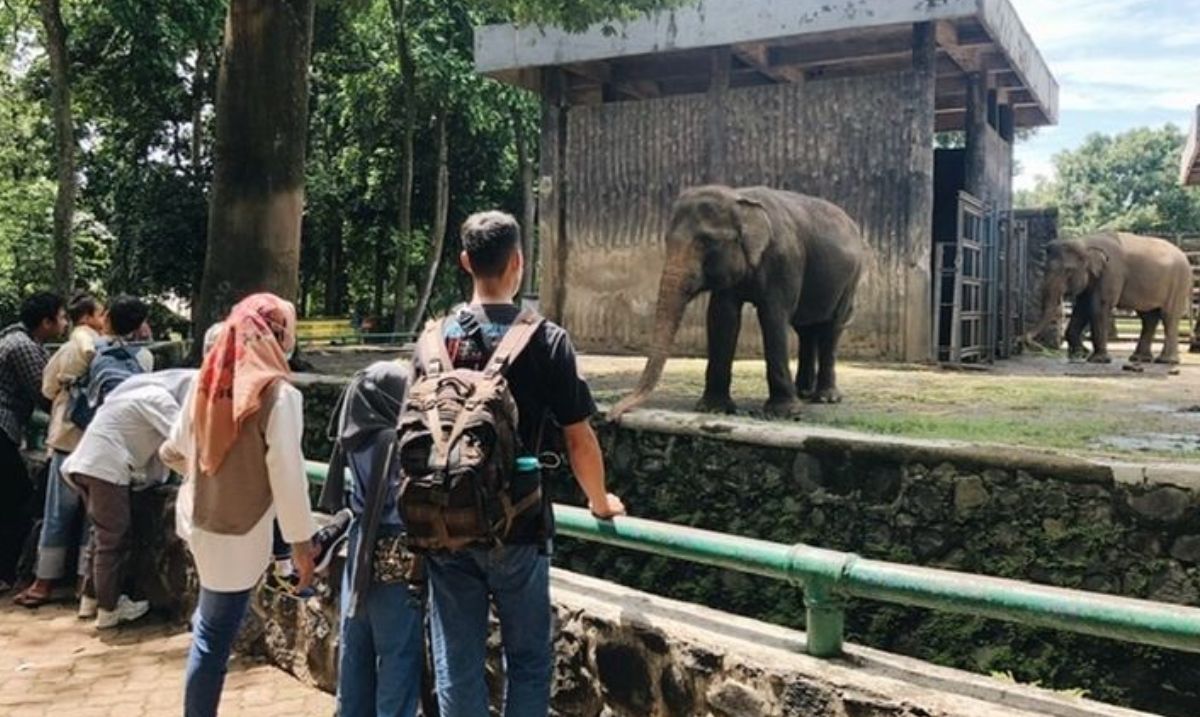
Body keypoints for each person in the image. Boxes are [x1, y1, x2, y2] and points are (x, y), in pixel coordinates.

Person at [413, 212, 625, 717]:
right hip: (520, 522)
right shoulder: (547, 340)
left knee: (456, 664)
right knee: (528, 661)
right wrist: (600, 501)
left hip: (445, 519)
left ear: (465, 262)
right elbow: (579, 438)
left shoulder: (431, 341)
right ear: (518, 263)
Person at [159, 295, 342, 717]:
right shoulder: (277, 394)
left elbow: (177, 446)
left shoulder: (209, 380)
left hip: (200, 520)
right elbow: (288, 476)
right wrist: (301, 545)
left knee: (210, 629)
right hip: (239, 534)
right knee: (213, 635)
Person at [319, 361, 422, 717]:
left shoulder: (352, 437)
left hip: (360, 548)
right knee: (397, 656)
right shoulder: (397, 440)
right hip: (397, 550)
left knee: (355, 650)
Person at [61, 368, 196, 628]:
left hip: (86, 465)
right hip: (106, 468)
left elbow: (158, 452)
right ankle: (108, 610)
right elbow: (183, 439)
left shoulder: (137, 392)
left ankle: (90, 599)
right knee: (113, 538)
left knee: (100, 536)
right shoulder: (159, 400)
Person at [13, 293, 106, 608]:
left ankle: (43, 583)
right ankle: (84, 582)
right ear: (90, 317)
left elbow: (47, 388)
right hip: (96, 444)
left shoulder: (66, 351)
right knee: (91, 518)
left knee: (58, 515)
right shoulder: (108, 351)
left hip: (66, 440)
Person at [0, 292, 67, 594]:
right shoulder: (23, 347)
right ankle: (6, 573)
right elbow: (46, 393)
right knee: (19, 500)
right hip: (3, 427)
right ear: (46, 321)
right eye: (62, 317)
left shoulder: (13, 339)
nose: (64, 324)